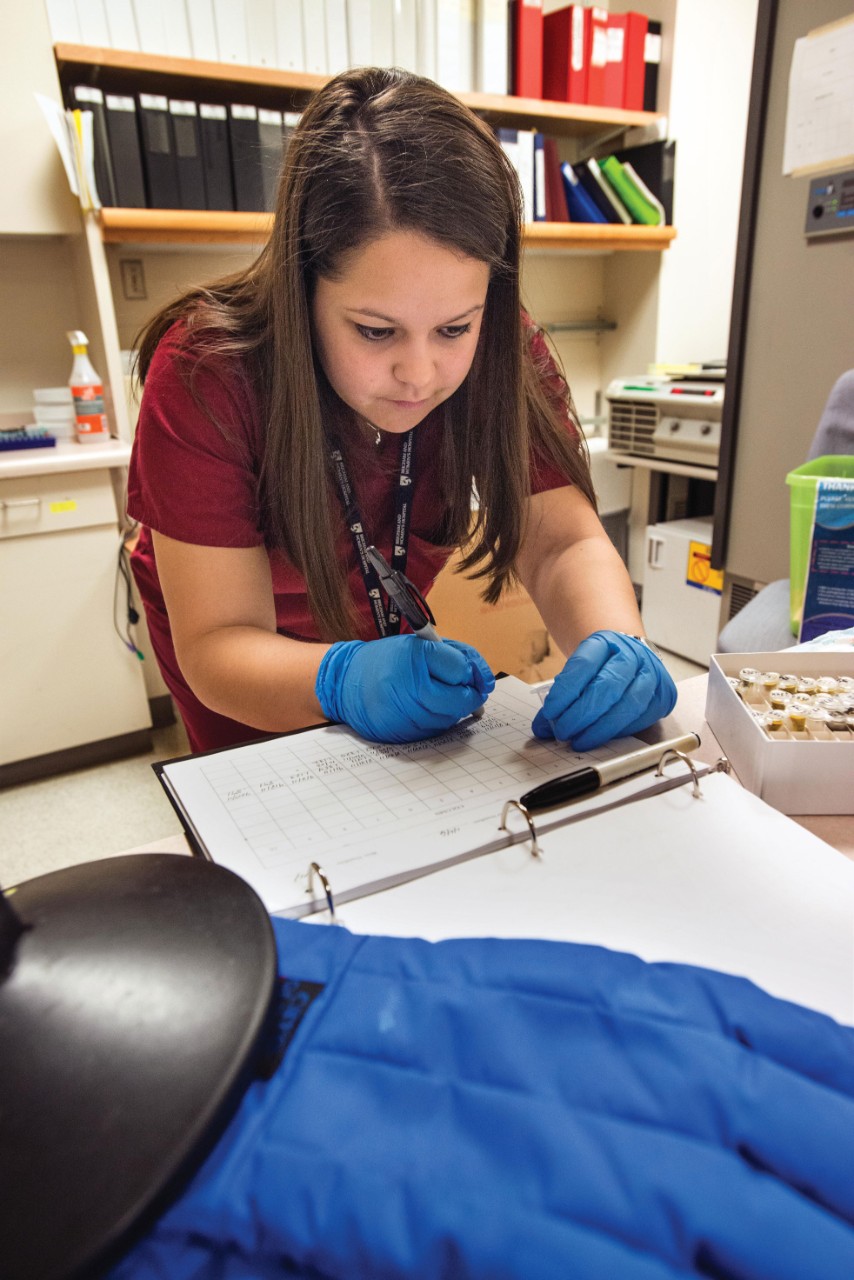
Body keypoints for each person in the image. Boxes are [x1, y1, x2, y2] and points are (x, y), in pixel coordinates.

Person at [128, 66, 676, 755]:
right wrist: (339, 681)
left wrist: (615, 643)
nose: (419, 375)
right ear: (304, 290)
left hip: (376, 631)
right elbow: (217, 645)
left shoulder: (505, 347)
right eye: (375, 331)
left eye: (454, 329)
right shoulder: (207, 372)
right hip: (244, 660)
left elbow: (561, 540)